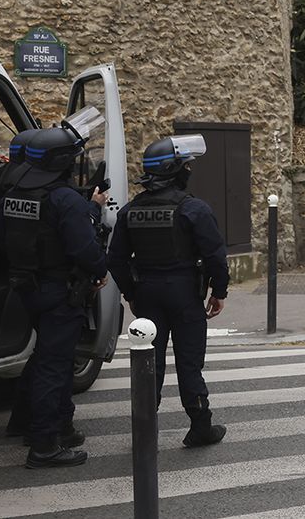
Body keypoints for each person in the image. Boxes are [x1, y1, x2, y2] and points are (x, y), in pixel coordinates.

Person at [0, 116, 109, 469]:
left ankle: (30, 422)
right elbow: (84, 249)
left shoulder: (14, 194)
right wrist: (100, 269)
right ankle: (44, 444)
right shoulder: (65, 200)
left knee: (45, 355)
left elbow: (1, 239)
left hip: (26, 287)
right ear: (64, 162)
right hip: (60, 291)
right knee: (55, 366)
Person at [108, 134, 231, 447]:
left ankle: (144, 431)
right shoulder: (194, 209)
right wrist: (219, 291)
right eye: (186, 165)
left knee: (149, 364)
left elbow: (116, 260)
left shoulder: (130, 211)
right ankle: (200, 425)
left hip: (147, 294)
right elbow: (215, 256)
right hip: (185, 294)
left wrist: (131, 293)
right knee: (189, 362)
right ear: (174, 170)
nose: (189, 169)